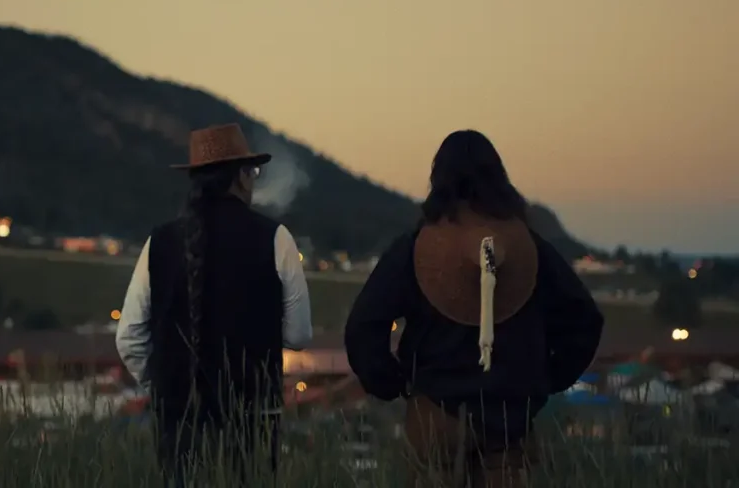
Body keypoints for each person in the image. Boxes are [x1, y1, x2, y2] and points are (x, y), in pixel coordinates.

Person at [344, 130, 604, 488]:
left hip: (436, 414)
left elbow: (364, 325)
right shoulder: (531, 249)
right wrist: (546, 378)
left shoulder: (416, 247)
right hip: (512, 417)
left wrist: (394, 382)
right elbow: (584, 320)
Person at [115, 123, 313, 486]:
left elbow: (129, 338)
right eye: (252, 172)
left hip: (179, 423)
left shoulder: (158, 242)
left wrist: (164, 387)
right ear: (240, 177)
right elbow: (299, 334)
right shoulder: (276, 238)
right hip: (253, 422)